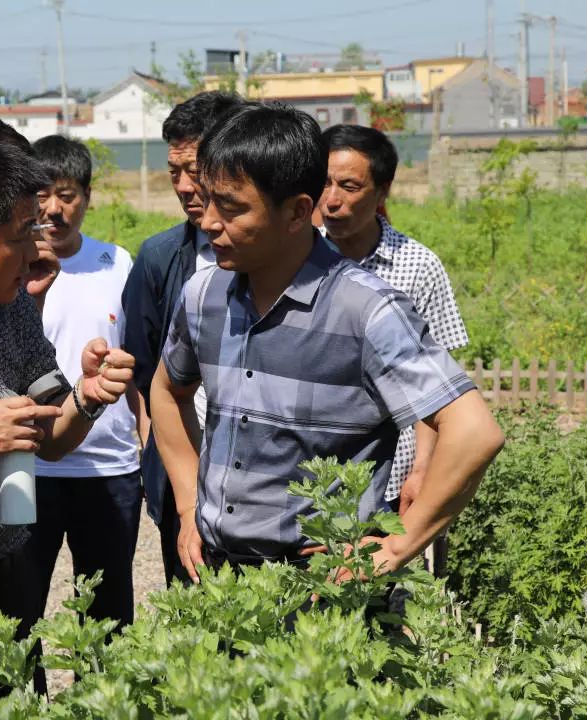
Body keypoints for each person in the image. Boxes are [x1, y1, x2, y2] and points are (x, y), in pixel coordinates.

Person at [149, 103, 504, 583]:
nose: (209, 221)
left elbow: (474, 433)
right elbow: (167, 392)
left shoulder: (367, 311)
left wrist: (400, 544)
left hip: (321, 589)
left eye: (231, 207)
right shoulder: (204, 295)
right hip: (219, 580)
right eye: (208, 201)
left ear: (297, 212)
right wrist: (191, 505)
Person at [0, 112, 135, 675]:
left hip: (5, 556)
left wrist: (86, 398)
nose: (39, 254)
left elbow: (52, 436)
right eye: (21, 237)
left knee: (15, 688)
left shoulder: (12, 310)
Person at [0, 134, 144, 654]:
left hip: (110, 468)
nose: (55, 210)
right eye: (43, 197)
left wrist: (143, 449)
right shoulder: (7, 269)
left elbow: (137, 366)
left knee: (108, 617)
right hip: (29, 467)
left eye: (68, 195)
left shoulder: (118, 263)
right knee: (18, 613)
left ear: (87, 196)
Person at [122, 91, 245, 586]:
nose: (184, 186)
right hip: (185, 480)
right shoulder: (158, 259)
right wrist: (163, 461)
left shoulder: (292, 260)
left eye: (195, 169)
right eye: (174, 172)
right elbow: (147, 375)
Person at [319, 124, 469, 518]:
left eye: (349, 187)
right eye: (324, 184)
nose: (331, 200)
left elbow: (438, 386)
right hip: (310, 475)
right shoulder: (296, 259)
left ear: (382, 191)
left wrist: (423, 469)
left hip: (391, 477)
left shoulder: (418, 267)